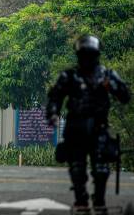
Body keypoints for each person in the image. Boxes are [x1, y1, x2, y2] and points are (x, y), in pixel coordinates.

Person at [46, 35, 130, 212]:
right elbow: (55, 96)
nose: (87, 59)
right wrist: (53, 114)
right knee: (77, 167)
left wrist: (111, 87)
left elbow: (125, 96)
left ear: (96, 55)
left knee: (101, 168)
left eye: (90, 55)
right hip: (75, 127)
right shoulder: (70, 76)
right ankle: (81, 199)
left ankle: (99, 199)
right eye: (84, 55)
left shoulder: (107, 75)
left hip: (99, 128)